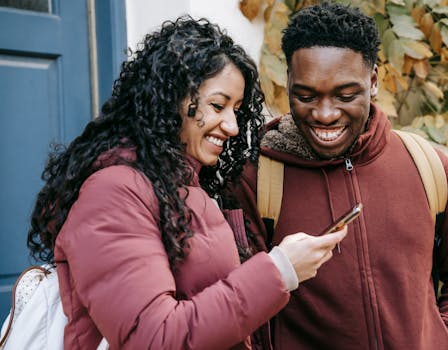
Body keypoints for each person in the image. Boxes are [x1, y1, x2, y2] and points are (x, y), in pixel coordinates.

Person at [26, 16, 347, 349]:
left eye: (236, 109)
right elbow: (153, 338)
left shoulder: (187, 186)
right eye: (218, 106)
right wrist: (279, 271)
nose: (233, 126)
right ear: (169, 99)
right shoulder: (114, 193)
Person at [228, 3, 448, 349]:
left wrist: (443, 338)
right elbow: (238, 309)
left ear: (372, 82)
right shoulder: (256, 179)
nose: (325, 114)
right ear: (289, 83)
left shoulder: (428, 166)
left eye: (345, 95)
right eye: (307, 95)